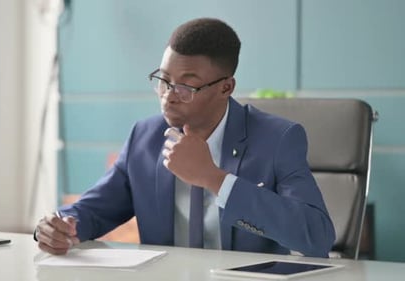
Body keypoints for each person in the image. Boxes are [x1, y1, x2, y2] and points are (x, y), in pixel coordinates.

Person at [35, 17, 335, 258]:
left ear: (226, 88)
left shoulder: (278, 138)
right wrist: (62, 225)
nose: (168, 97)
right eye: (163, 80)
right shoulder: (146, 136)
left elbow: (317, 237)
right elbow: (96, 209)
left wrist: (215, 179)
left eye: (185, 87)